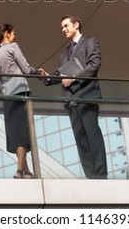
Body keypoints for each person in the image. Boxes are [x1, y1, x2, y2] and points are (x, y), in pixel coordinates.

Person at [45, 14, 107, 179]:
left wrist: (73, 78)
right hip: (71, 101)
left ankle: (101, 175)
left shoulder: (90, 42)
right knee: (80, 140)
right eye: (62, 28)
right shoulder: (63, 54)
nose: (64, 30)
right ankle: (91, 176)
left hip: (86, 95)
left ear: (76, 24)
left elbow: (94, 65)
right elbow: (58, 74)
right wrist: (47, 78)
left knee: (93, 135)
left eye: (66, 26)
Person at [0, 23, 46, 179]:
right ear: (7, 34)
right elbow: (26, 70)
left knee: (15, 133)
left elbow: (0, 82)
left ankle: (27, 171)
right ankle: (19, 170)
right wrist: (38, 71)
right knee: (22, 132)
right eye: (13, 33)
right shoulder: (12, 47)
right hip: (20, 91)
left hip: (7, 95)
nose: (15, 36)